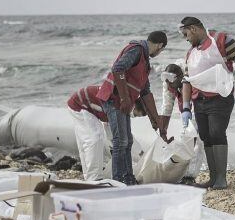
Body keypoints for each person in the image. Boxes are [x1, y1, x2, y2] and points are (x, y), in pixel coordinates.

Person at [179, 16, 235, 190]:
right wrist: (185, 107)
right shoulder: (190, 53)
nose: (186, 39)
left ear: (193, 29)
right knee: (205, 135)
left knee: (217, 132)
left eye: (186, 34)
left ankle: (221, 179)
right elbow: (186, 81)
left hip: (220, 97)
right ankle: (213, 178)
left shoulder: (221, 40)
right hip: (199, 101)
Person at [96, 31, 170, 185]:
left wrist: (157, 123)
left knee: (127, 141)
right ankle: (117, 180)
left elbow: (146, 93)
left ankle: (128, 178)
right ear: (159, 45)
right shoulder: (136, 50)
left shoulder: (145, 60)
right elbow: (118, 69)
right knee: (120, 141)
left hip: (122, 101)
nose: (160, 52)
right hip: (113, 99)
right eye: (161, 50)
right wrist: (124, 97)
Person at [158, 63, 205, 185]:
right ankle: (183, 172)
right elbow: (166, 107)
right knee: (186, 138)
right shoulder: (168, 82)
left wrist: (190, 118)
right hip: (185, 111)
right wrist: (163, 131)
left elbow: (196, 100)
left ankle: (190, 175)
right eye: (167, 83)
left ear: (179, 78)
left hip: (199, 105)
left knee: (198, 140)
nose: (169, 86)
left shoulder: (190, 77)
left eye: (171, 83)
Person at [67, 85, 111, 180]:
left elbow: (110, 129)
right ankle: (93, 178)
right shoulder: (117, 107)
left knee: (90, 139)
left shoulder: (119, 108)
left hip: (88, 106)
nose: (134, 117)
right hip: (79, 105)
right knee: (94, 139)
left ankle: (89, 176)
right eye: (136, 114)